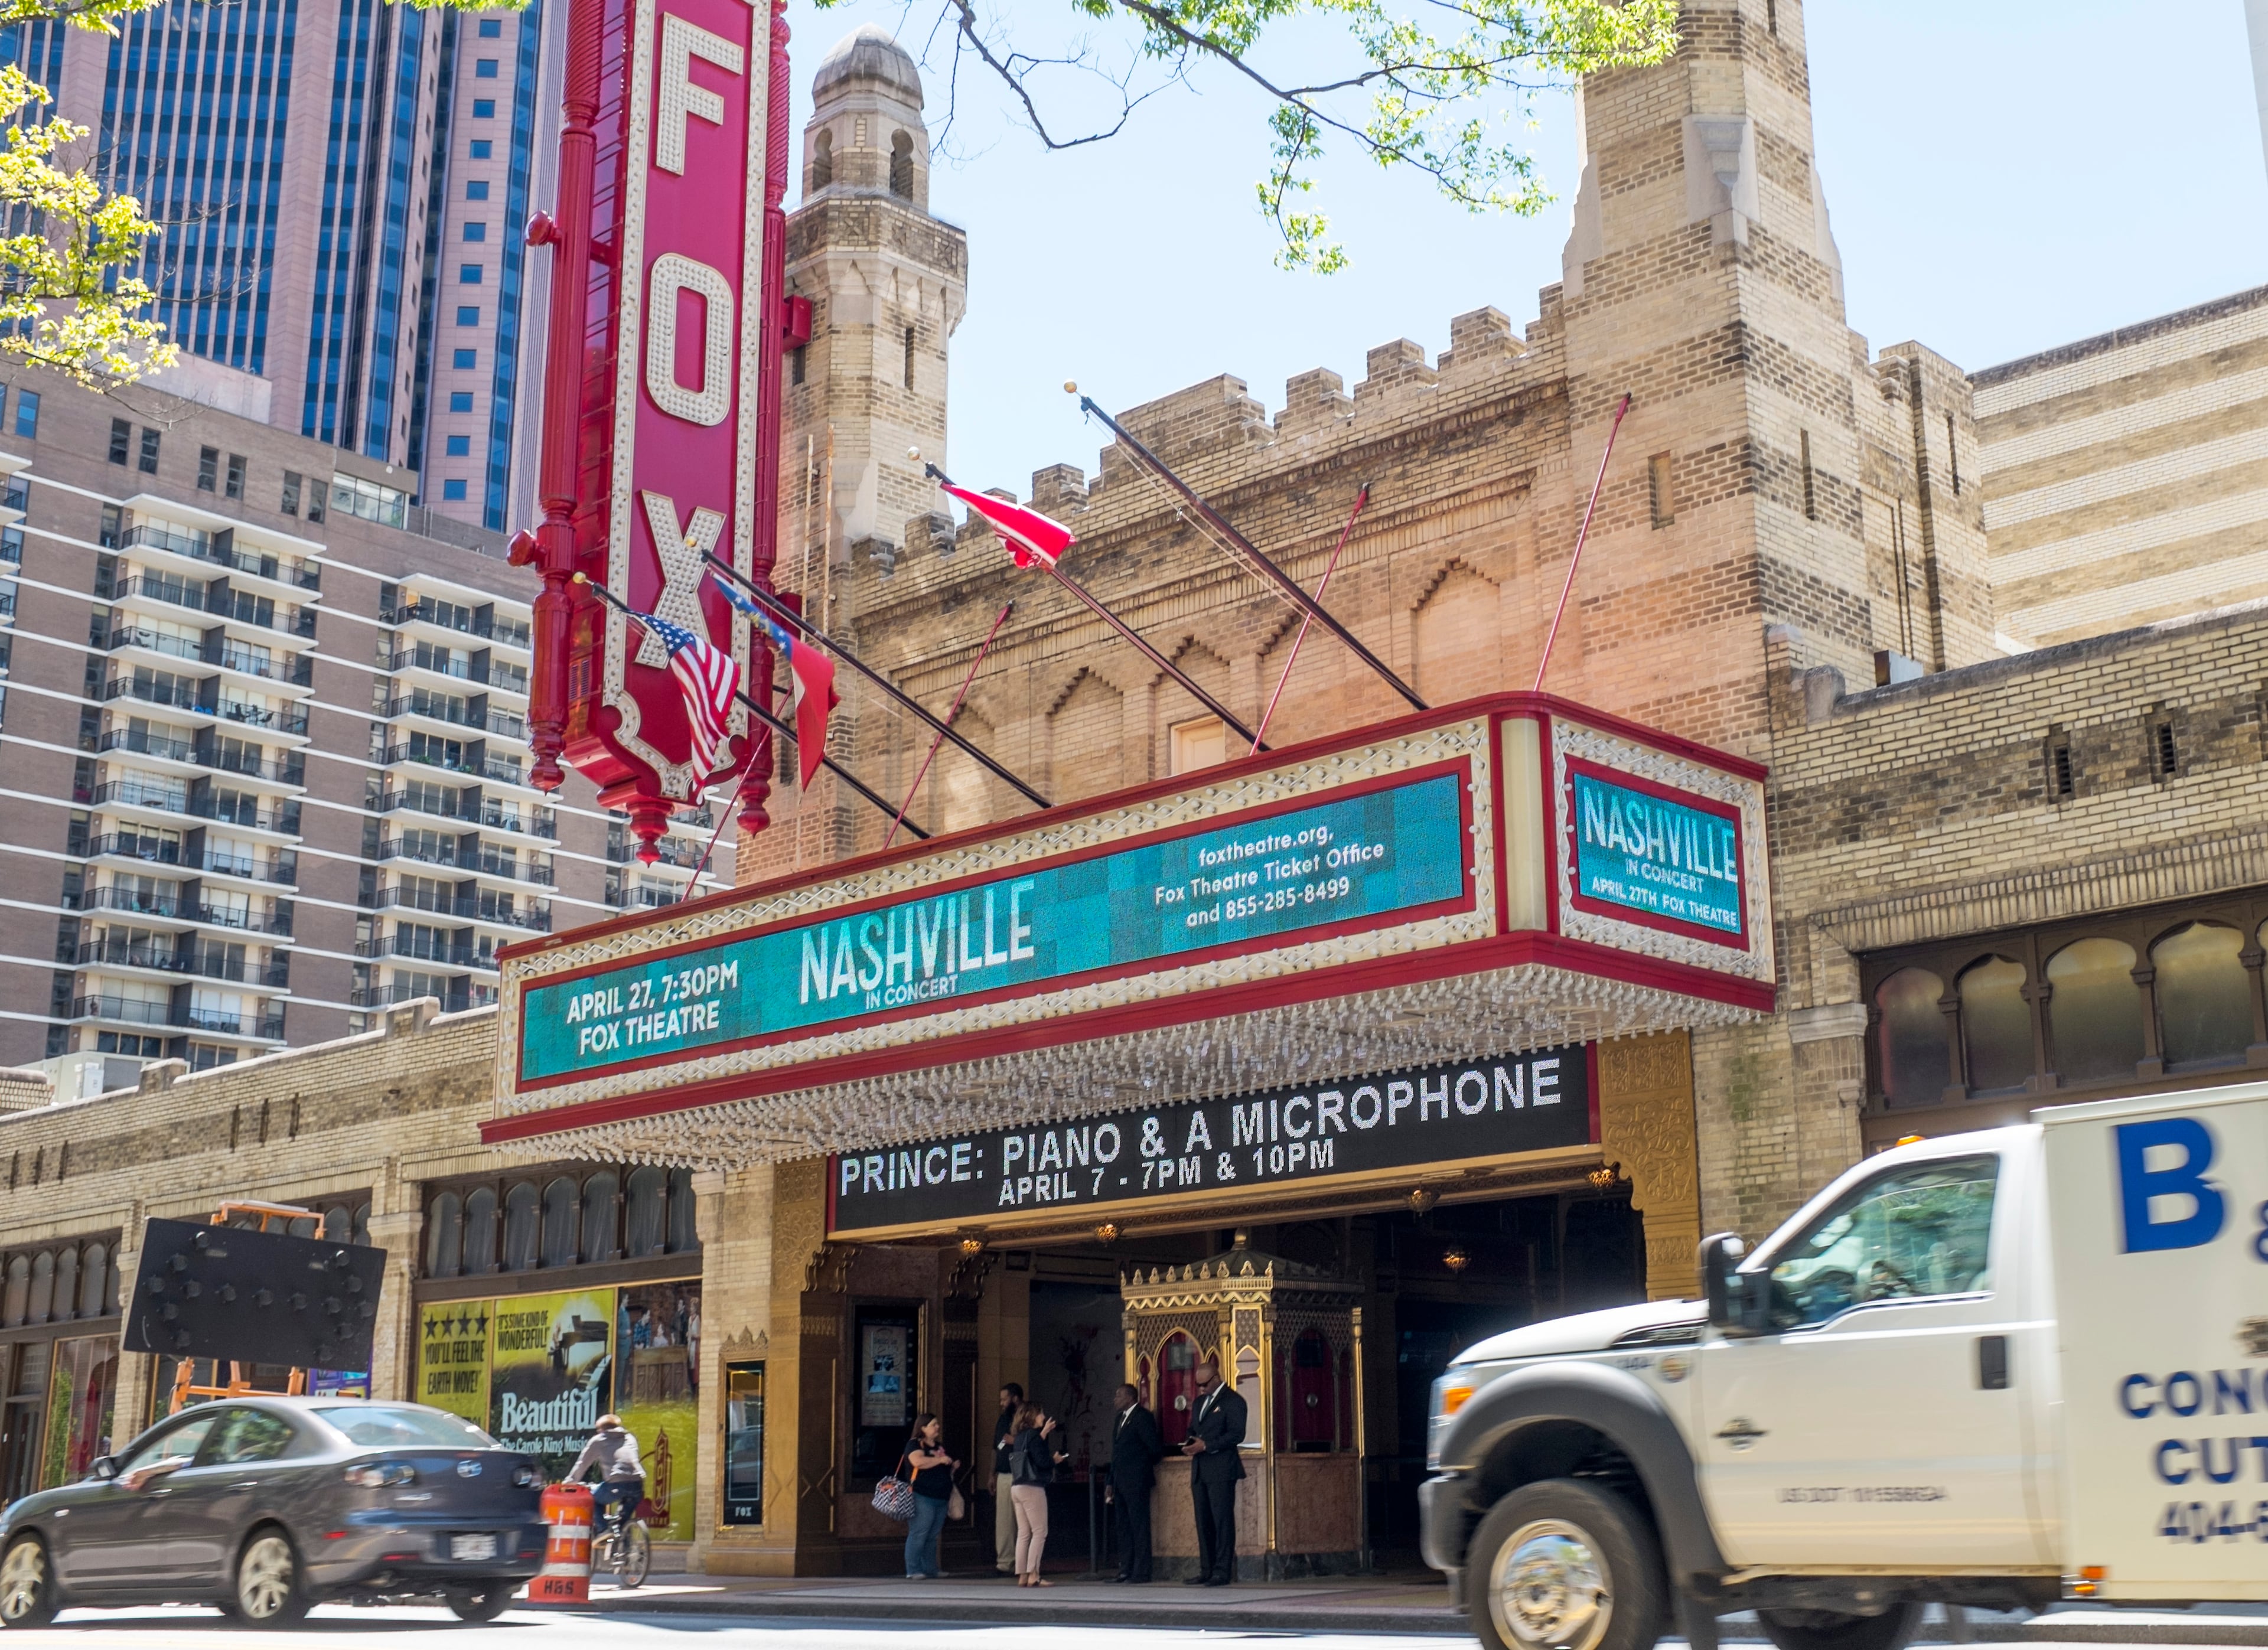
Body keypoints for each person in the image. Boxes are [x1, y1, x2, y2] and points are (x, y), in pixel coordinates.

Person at [1181, 1359, 1246, 1586]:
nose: (1201, 1389)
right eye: (1198, 1385)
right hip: (1200, 1469)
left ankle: (1222, 1570)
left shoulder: (1233, 1401)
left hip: (1221, 1469)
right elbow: (1193, 1428)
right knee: (1203, 1521)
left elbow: (1237, 1434)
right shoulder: (1199, 1403)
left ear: (1216, 1379)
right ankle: (1206, 1569)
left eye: (1204, 1385)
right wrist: (1190, 1442)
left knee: (1222, 1521)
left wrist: (1207, 1445)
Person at [1106, 1381, 1165, 1583]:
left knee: (1139, 1526)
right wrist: (1110, 1481)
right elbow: (1116, 1453)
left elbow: (1154, 1448)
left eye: (1119, 1395)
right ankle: (1126, 1568)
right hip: (1120, 1481)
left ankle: (1141, 1571)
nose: (1115, 1399)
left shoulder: (1142, 1417)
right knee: (1123, 1526)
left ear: (1130, 1397)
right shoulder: (1119, 1420)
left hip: (1136, 1480)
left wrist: (1139, 1468)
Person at [1008, 1401, 1065, 1587]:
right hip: (1032, 1487)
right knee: (1040, 1531)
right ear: (1032, 1416)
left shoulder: (1020, 1437)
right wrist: (1055, 1460)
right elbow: (1042, 1462)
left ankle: (1022, 1575)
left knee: (1024, 1533)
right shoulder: (1034, 1436)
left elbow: (1030, 1451)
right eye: (1040, 1414)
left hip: (1017, 1487)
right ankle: (1034, 1574)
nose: (1043, 1417)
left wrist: (1044, 1433)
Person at [567, 1413, 646, 1535]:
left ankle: (603, 1530)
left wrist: (570, 1483)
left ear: (601, 1429)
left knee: (590, 1499)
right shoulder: (630, 1438)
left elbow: (582, 1464)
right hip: (637, 1485)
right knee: (622, 1525)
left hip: (616, 1484)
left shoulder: (599, 1439)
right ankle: (625, 1550)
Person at [900, 1412, 956, 1580]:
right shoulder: (914, 1445)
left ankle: (931, 1568)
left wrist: (951, 1465)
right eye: (933, 1425)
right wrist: (940, 1461)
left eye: (937, 1424)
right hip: (922, 1496)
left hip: (941, 1497)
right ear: (923, 1428)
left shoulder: (939, 1447)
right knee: (919, 1533)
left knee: (932, 1536)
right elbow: (917, 1462)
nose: (937, 1427)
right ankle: (913, 1570)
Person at [990, 1382, 1024, 1574]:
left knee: (1025, 1523)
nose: (1002, 1403)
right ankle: (1005, 1562)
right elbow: (997, 1446)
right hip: (1004, 1474)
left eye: (1004, 1399)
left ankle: (1025, 1563)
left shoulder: (1027, 1415)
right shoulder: (1003, 1419)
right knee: (1004, 1521)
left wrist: (1017, 1440)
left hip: (1023, 1475)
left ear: (1015, 1398)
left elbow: (1037, 1439)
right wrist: (991, 1474)